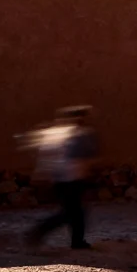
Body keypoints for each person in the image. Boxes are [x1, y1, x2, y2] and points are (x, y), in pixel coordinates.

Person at [23, 105, 99, 249]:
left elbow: (46, 156)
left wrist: (43, 173)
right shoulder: (80, 134)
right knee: (71, 213)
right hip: (73, 177)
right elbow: (86, 156)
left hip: (59, 178)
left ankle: (77, 241)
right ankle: (40, 231)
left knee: (75, 212)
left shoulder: (54, 133)